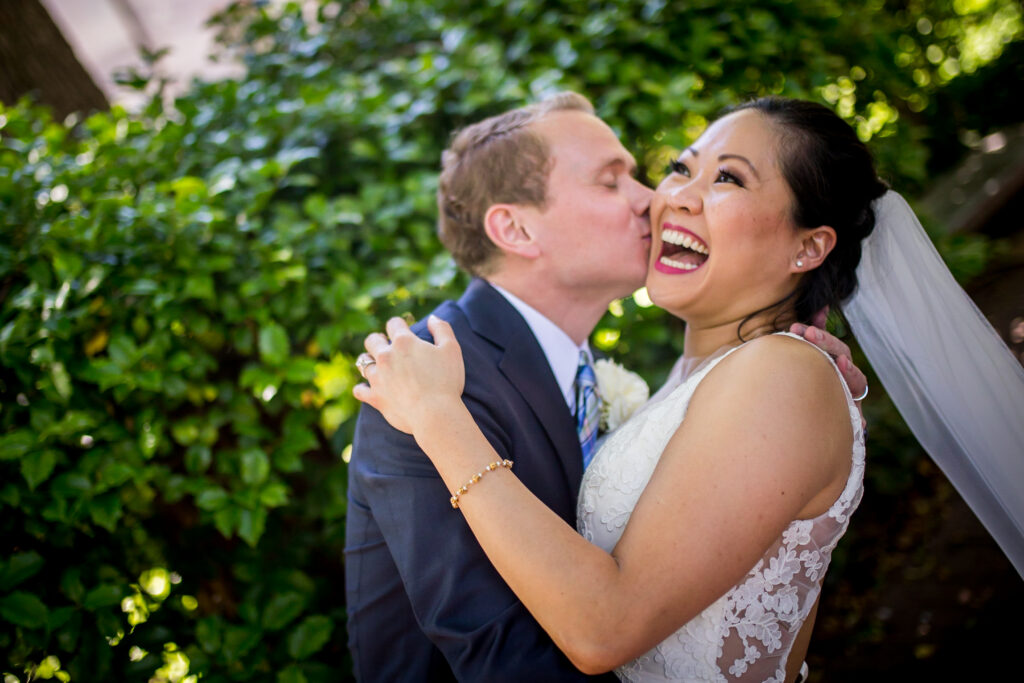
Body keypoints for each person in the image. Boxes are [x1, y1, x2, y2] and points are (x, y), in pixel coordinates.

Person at [343, 93, 869, 682]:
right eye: (612, 181)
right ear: (514, 227)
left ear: (810, 246)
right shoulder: (423, 378)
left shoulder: (761, 374)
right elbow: (496, 655)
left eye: (723, 177)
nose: (655, 200)